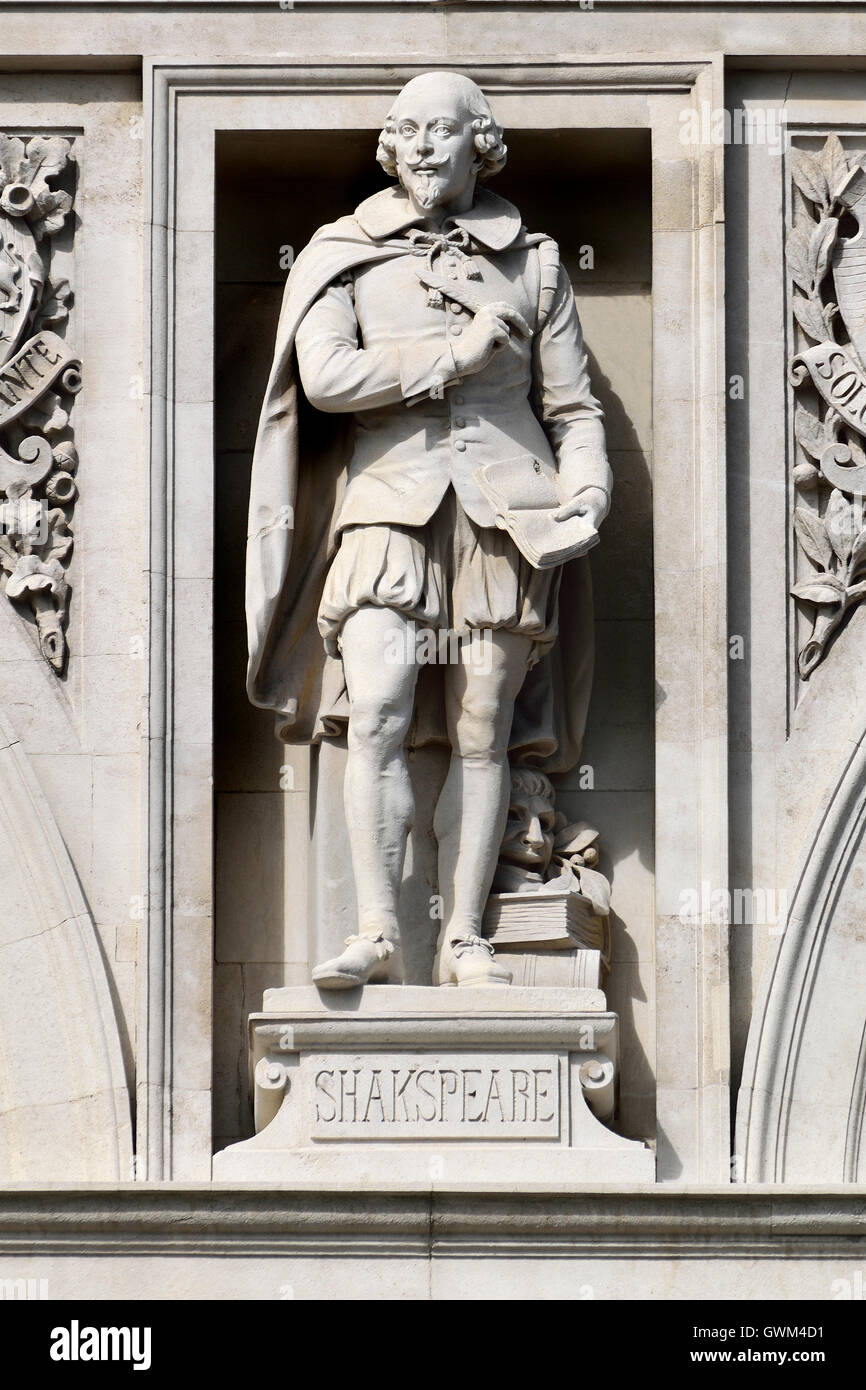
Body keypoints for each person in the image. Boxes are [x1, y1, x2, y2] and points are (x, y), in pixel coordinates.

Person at [245, 71, 611, 988]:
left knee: (483, 724)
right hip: (388, 506)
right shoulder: (344, 250)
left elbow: (572, 410)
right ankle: (376, 931)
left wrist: (590, 492)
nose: (417, 148)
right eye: (402, 131)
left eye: (438, 131)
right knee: (375, 708)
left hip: (505, 518)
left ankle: (465, 938)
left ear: (477, 142)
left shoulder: (533, 262)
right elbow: (325, 378)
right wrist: (454, 355)